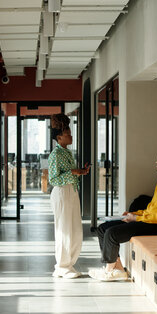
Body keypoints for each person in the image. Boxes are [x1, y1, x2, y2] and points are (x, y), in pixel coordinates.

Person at [90, 148, 157, 281]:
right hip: (150, 220)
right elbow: (152, 209)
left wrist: (137, 218)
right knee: (102, 229)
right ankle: (117, 269)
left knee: (112, 234)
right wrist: (133, 214)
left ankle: (109, 270)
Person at [48, 114, 91, 279]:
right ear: (59, 138)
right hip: (62, 193)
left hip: (71, 192)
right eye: (68, 134)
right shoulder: (56, 155)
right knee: (64, 231)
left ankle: (69, 264)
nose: (71, 136)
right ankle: (61, 266)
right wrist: (73, 172)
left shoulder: (67, 153)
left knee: (75, 230)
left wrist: (79, 172)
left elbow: (68, 174)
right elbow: (53, 179)